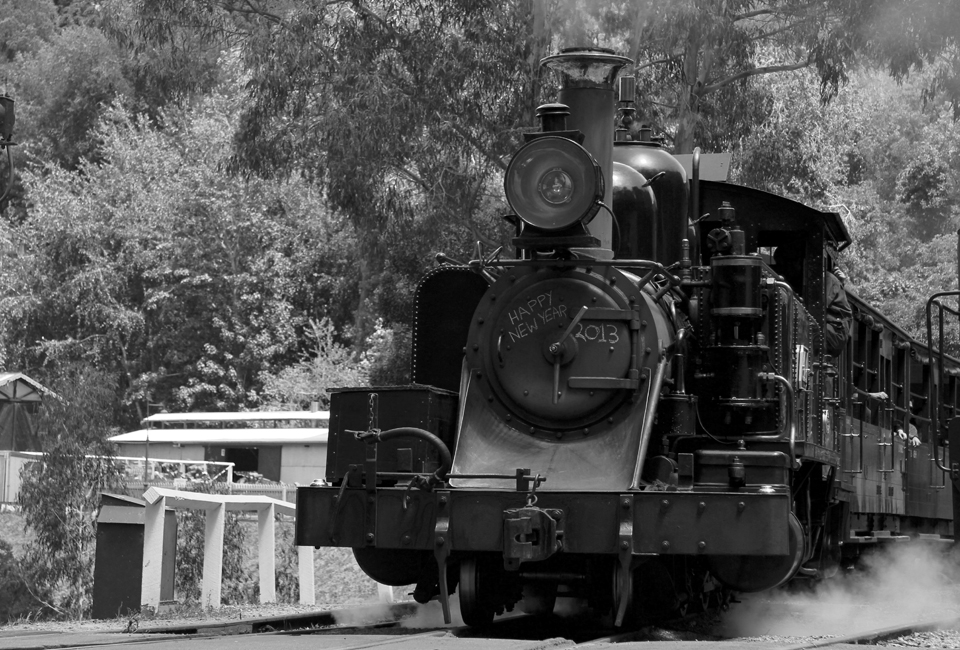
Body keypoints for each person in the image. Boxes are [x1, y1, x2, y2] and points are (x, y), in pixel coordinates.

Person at [773, 245, 852, 356]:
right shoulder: (800, 281)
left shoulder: (826, 279)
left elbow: (815, 308)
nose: (786, 268)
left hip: (832, 333)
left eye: (789, 263)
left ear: (800, 261)